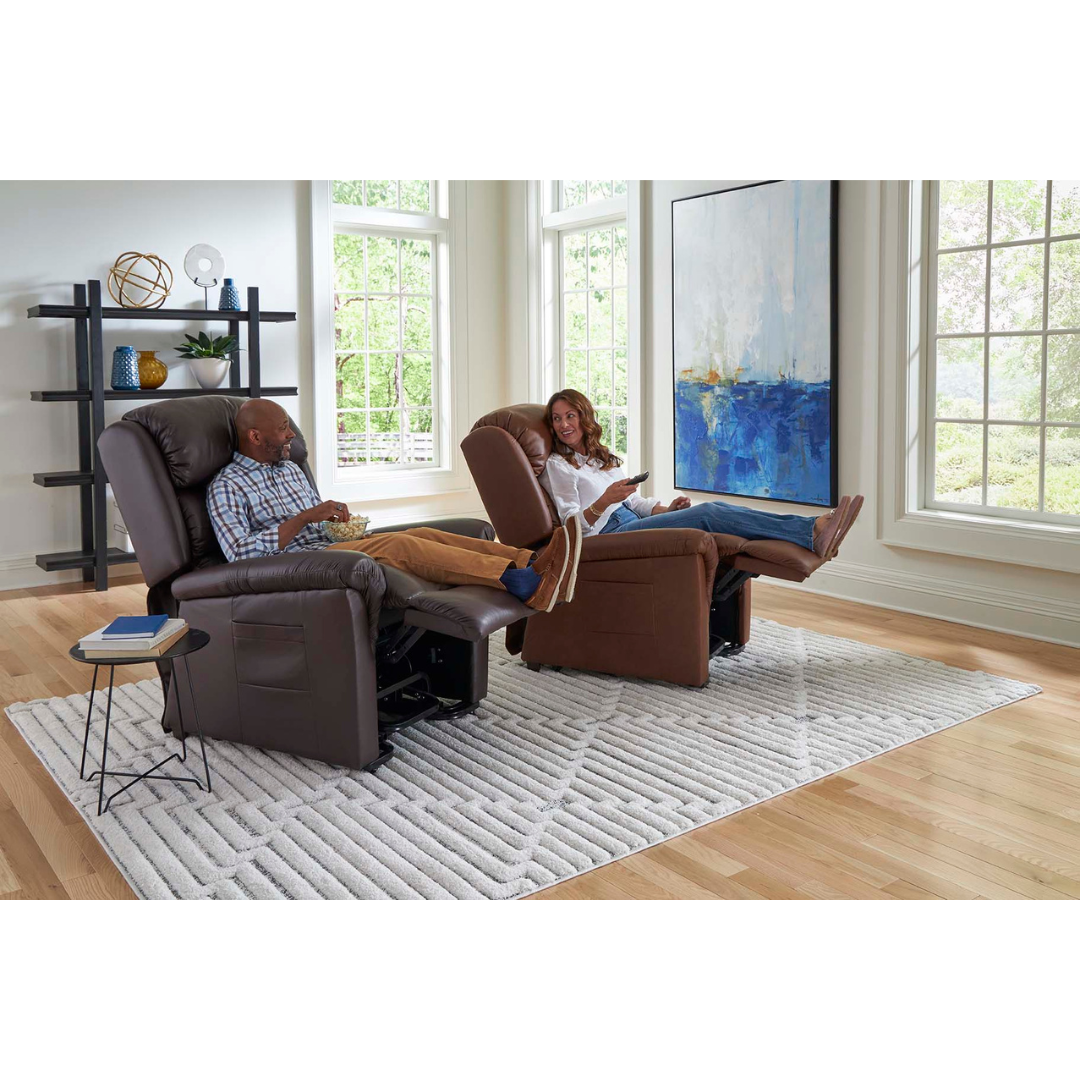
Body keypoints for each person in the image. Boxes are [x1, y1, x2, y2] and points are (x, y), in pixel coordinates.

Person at [207, 399, 583, 612]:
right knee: (399, 545)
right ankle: (520, 583)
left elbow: (316, 525)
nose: (291, 435)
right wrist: (308, 515)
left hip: (330, 548)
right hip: (290, 569)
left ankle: (534, 562)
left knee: (419, 533)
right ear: (255, 436)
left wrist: (334, 520)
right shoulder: (227, 485)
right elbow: (239, 554)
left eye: (290, 426)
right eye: (282, 428)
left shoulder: (289, 469)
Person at [539, 389, 863, 556]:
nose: (564, 424)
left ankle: (813, 531)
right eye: (556, 418)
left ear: (585, 418)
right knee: (711, 512)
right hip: (607, 537)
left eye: (570, 415)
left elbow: (635, 503)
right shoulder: (558, 466)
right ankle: (813, 530)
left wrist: (667, 510)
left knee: (710, 518)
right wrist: (602, 502)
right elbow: (570, 526)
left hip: (633, 521)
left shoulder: (599, 458)